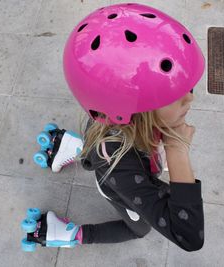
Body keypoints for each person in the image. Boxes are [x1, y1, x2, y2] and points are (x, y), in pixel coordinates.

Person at [21, 2, 205, 252]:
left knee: (100, 150)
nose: (190, 99)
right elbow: (188, 235)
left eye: (188, 88)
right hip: (114, 171)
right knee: (139, 229)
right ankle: (68, 235)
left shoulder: (115, 112)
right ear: (137, 109)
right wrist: (177, 150)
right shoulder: (119, 166)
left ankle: (75, 148)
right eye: (175, 95)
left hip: (108, 146)